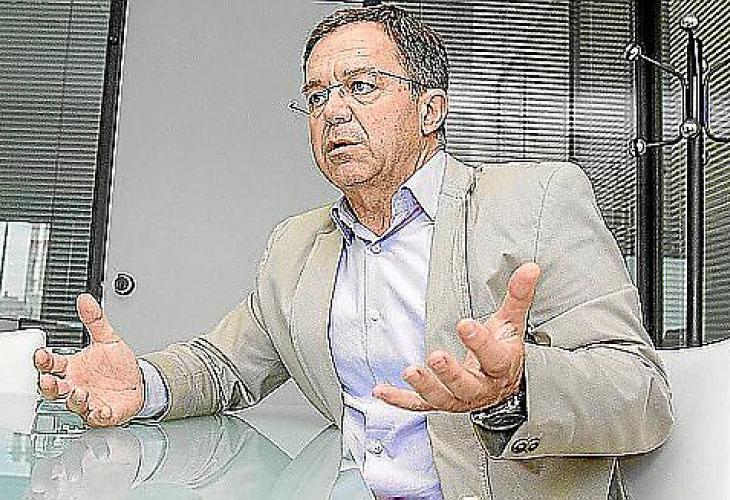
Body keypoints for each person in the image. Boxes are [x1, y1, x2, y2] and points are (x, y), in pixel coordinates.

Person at [33, 5, 672, 499]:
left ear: (430, 109)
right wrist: (141, 383)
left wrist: (516, 387)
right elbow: (224, 365)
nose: (333, 111)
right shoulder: (295, 246)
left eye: (361, 86)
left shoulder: (536, 201)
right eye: (316, 96)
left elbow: (642, 399)